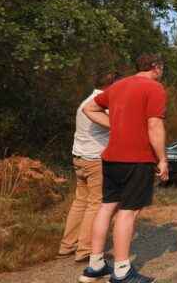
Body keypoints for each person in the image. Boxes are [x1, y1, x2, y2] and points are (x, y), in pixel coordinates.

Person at [78, 54, 168, 283]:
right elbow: (155, 125)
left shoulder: (118, 87)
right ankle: (121, 271)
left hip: (111, 157)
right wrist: (162, 159)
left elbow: (89, 108)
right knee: (128, 212)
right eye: (162, 67)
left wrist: (116, 125)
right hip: (137, 159)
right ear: (156, 68)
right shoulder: (154, 88)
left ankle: (95, 265)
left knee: (107, 207)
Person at [58, 72, 120, 262]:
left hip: (79, 158)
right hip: (95, 160)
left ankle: (67, 245)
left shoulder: (86, 101)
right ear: (110, 86)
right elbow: (119, 125)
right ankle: (85, 250)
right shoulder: (101, 105)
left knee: (80, 202)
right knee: (96, 204)